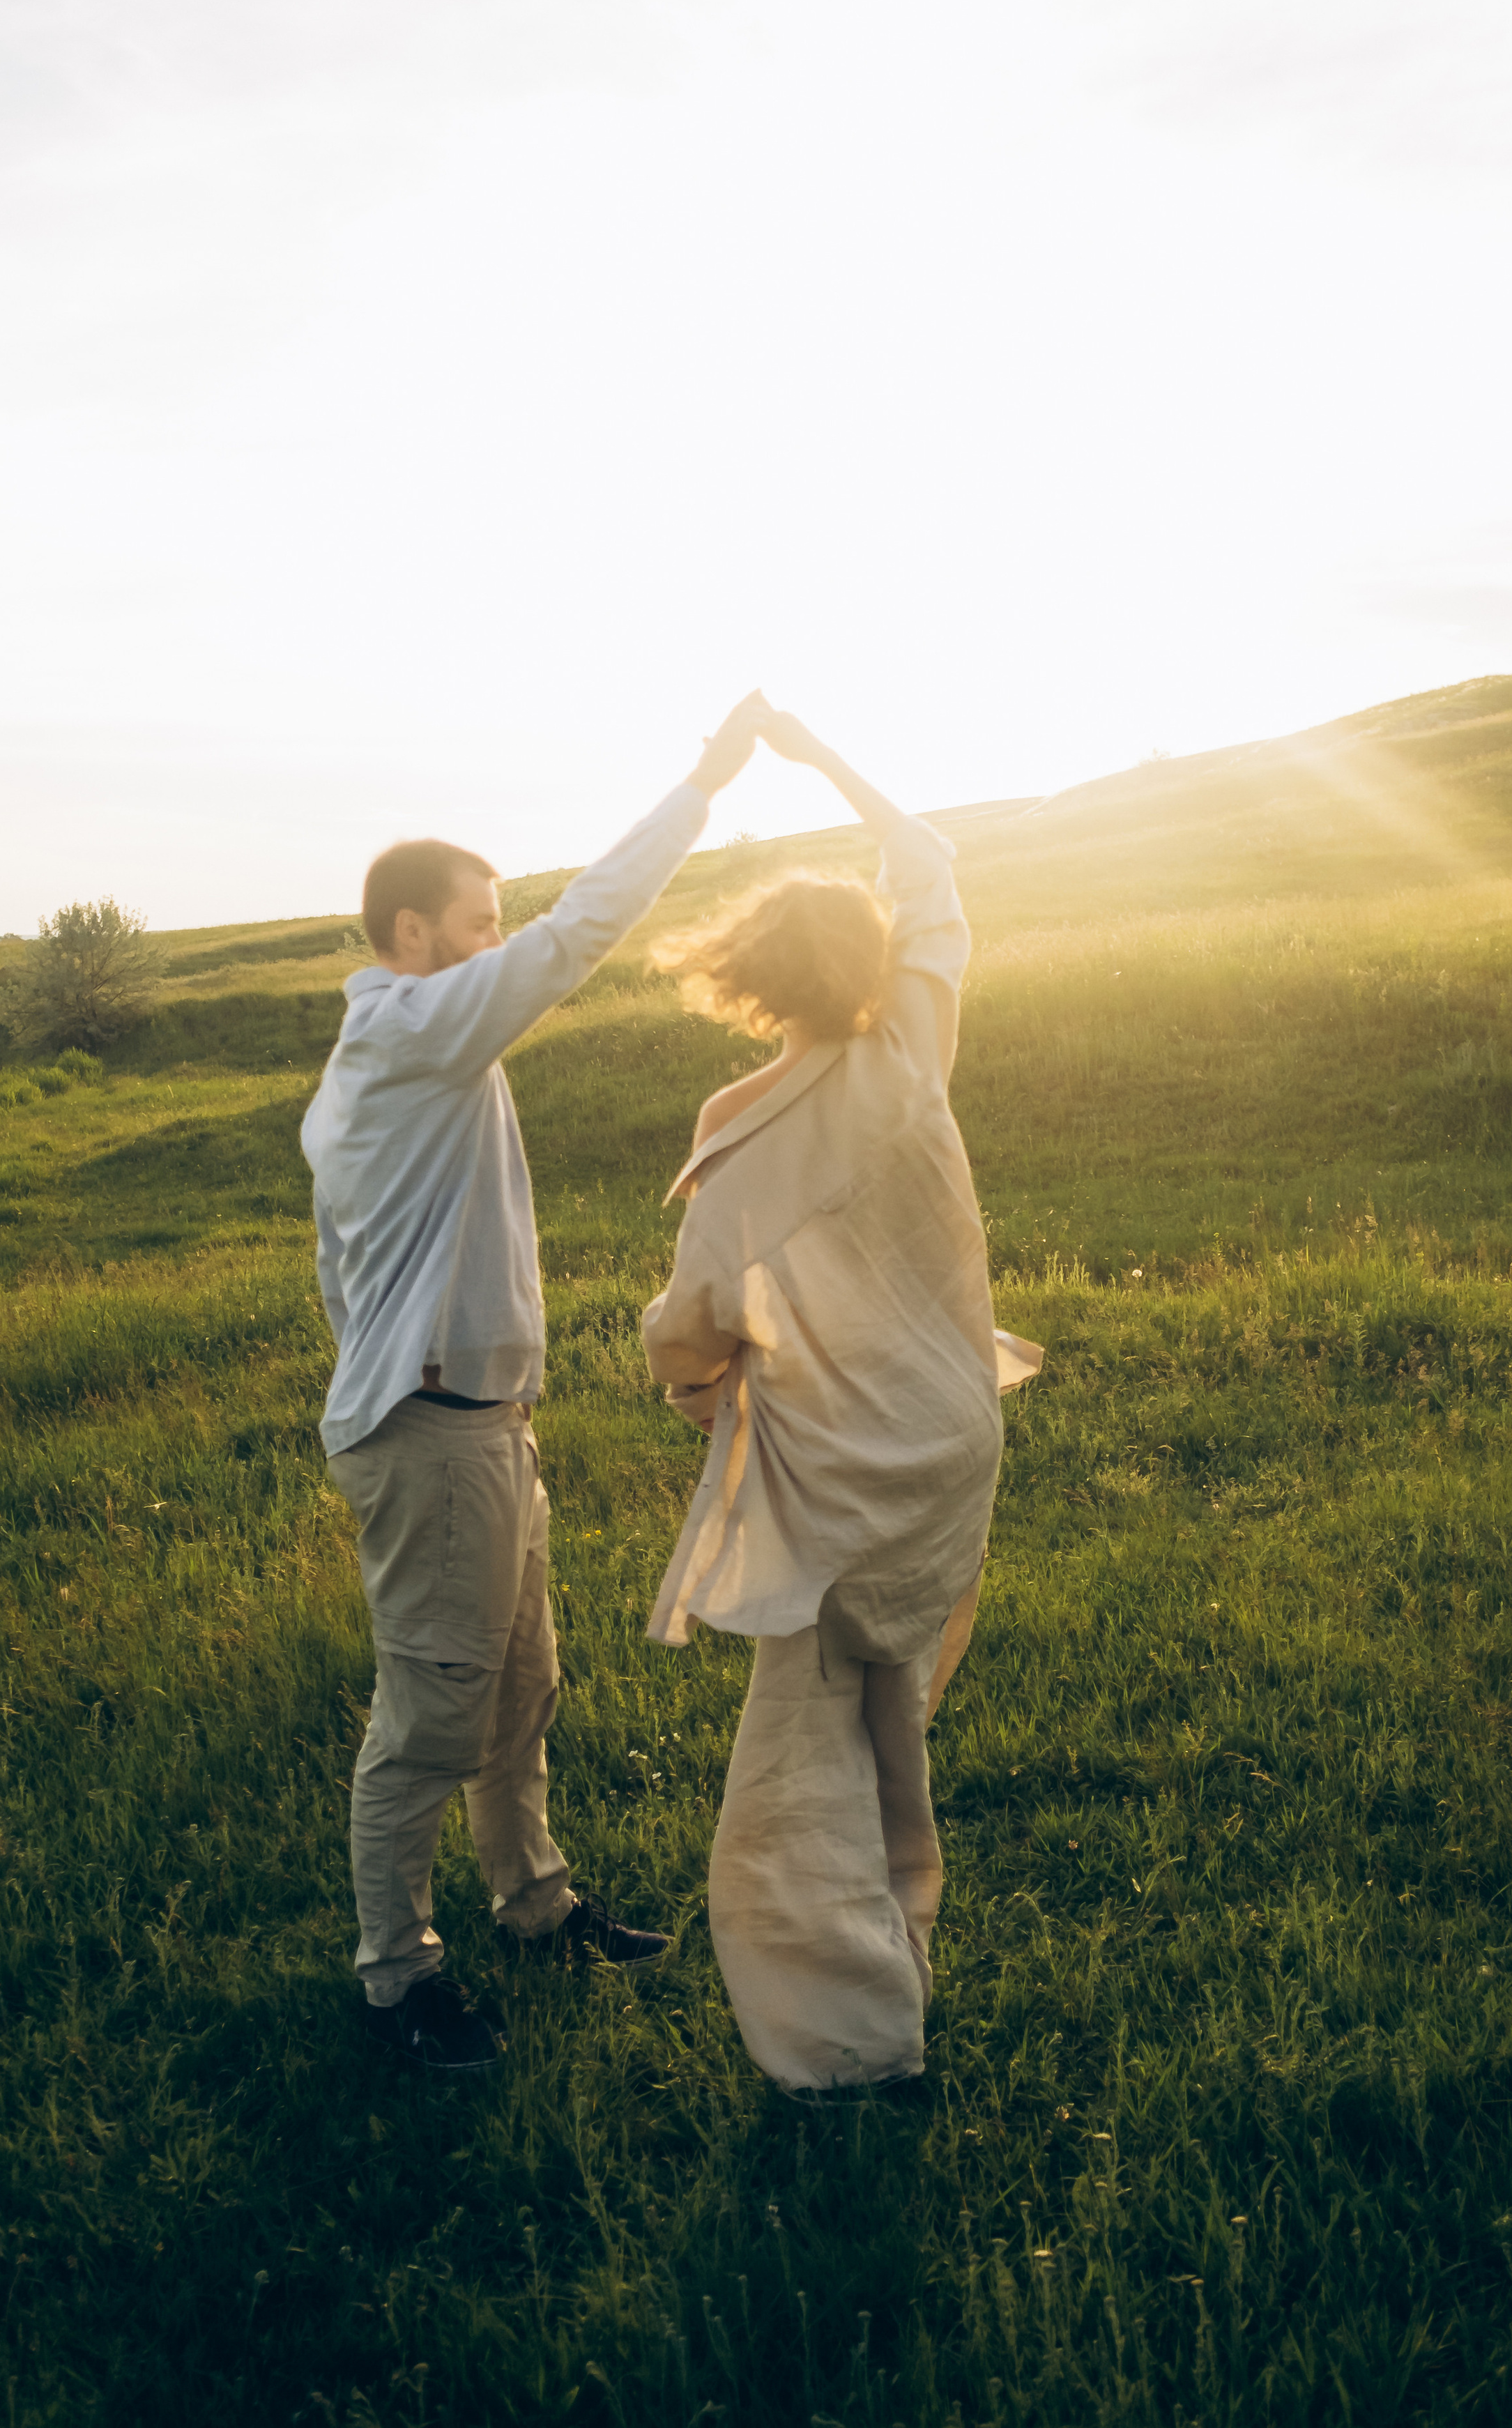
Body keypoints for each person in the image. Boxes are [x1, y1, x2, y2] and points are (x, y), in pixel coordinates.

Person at [303, 694, 765, 2076]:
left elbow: (345, 1259)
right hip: (434, 1438)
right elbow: (579, 936)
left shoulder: (408, 1048)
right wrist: (704, 786)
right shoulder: (410, 1030)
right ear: (411, 937)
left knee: (520, 1694)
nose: (498, 938)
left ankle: (534, 1907)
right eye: (479, 918)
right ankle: (396, 1984)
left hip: (478, 1429)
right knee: (430, 1721)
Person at [641, 706, 1041, 2099]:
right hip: (946, 1451)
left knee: (795, 1771)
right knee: (891, 1715)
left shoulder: (738, 1121)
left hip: (831, 1474)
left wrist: (690, 1384)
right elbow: (923, 854)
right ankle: (896, 1949)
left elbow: (690, 1323)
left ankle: (850, 2045)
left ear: (749, 980)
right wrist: (827, 765)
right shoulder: (914, 1043)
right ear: (868, 963)